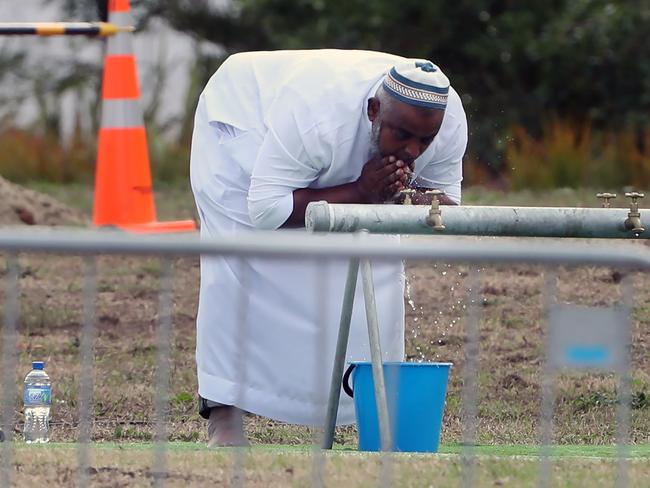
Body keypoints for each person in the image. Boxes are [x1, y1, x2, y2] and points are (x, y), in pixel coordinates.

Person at [189, 49, 468, 446]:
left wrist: (400, 193)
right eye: (402, 135)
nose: (412, 151)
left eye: (425, 140)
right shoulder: (316, 117)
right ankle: (224, 413)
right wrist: (361, 191)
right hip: (245, 124)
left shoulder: (449, 119)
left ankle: (373, 415)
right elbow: (267, 210)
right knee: (240, 255)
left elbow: (444, 207)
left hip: (312, 144)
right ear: (374, 110)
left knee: (379, 257)